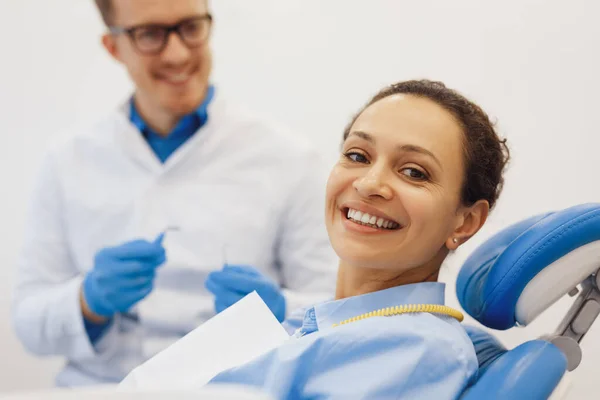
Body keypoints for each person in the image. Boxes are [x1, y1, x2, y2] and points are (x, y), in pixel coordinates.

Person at [11, 0, 337, 387]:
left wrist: (282, 310)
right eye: (150, 34)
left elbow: (334, 310)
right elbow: (28, 322)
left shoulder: (289, 158)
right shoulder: (68, 160)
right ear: (114, 47)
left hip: (234, 388)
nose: (178, 52)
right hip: (99, 389)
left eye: (190, 27)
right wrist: (87, 301)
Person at [208, 79, 511, 399]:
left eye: (414, 172)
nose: (369, 184)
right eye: (357, 156)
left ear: (465, 221)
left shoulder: (415, 350)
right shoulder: (324, 321)